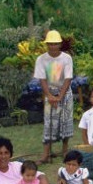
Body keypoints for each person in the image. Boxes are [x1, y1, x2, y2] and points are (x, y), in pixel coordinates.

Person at [34, 29, 74, 164]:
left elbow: (68, 78)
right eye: (50, 44)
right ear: (47, 45)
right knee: (49, 123)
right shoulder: (41, 59)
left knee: (65, 121)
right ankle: (46, 154)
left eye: (55, 43)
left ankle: (65, 151)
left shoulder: (66, 58)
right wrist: (50, 96)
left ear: (60, 44)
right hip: (49, 93)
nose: (53, 46)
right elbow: (42, 79)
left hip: (65, 93)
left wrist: (60, 96)